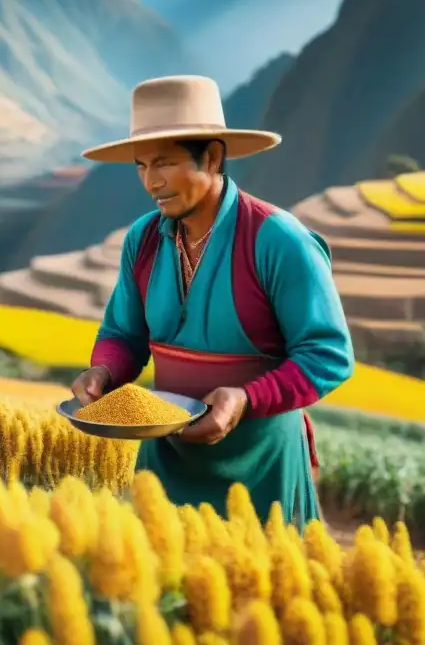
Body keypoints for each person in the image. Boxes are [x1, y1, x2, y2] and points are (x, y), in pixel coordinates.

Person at [69, 75, 354, 528]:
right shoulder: (143, 240)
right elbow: (124, 334)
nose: (150, 181)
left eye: (163, 163)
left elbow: (328, 356)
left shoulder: (278, 239)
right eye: (141, 166)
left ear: (215, 156)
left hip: (259, 467)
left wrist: (244, 399)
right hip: (166, 457)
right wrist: (104, 369)